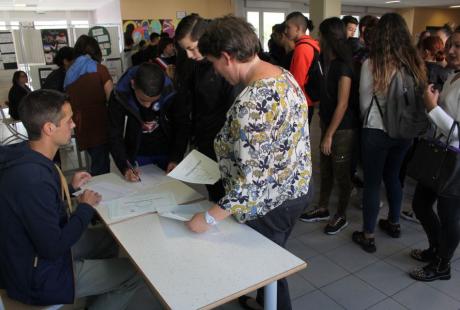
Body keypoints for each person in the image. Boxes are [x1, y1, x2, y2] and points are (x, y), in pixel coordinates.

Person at [187, 16, 312, 310]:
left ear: (228, 57)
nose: (215, 72)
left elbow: (252, 185)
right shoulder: (282, 74)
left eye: (214, 63)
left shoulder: (251, 103)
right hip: (294, 189)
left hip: (270, 204)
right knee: (270, 264)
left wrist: (206, 219)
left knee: (268, 269)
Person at [0, 89, 156, 309]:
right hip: (38, 274)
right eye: (69, 120)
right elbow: (52, 248)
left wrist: (69, 188)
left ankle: (98, 292)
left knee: (109, 239)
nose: (73, 125)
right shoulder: (33, 179)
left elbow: (39, 210)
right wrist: (83, 208)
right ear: (49, 128)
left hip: (33, 252)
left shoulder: (27, 155)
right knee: (138, 274)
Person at [352, 13, 426, 253]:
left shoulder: (372, 63)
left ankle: (368, 234)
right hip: (405, 132)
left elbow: (364, 103)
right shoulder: (415, 64)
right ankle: (394, 223)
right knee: (393, 177)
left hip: (376, 130)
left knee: (372, 183)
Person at [409, 28, 460, 282]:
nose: (450, 51)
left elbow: (457, 133)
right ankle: (436, 250)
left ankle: (443, 265)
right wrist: (437, 105)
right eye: (450, 44)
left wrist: (431, 108)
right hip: (441, 155)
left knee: (450, 216)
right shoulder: (453, 77)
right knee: (420, 204)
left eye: (458, 46)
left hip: (456, 162)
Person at [300, 17, 357, 235]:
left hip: (342, 130)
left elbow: (342, 104)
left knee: (341, 174)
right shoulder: (327, 62)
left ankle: (340, 215)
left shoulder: (343, 66)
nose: (317, 39)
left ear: (329, 37)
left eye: (320, 35)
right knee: (325, 170)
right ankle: (323, 208)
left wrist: (329, 135)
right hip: (329, 124)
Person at [175, 13, 240, 203]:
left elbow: (232, 114)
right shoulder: (194, 64)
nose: (188, 55)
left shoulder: (226, 67)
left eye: (192, 48)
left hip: (224, 145)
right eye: (184, 50)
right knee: (215, 195)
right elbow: (188, 107)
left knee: (227, 199)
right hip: (204, 143)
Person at [108, 63, 188, 181]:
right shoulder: (119, 96)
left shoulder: (172, 92)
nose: (147, 105)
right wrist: (125, 167)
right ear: (133, 84)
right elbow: (114, 133)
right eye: (142, 99)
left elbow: (182, 126)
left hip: (166, 151)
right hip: (137, 154)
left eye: (154, 101)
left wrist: (175, 158)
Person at [64, 35, 113, 176]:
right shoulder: (99, 69)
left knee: (96, 160)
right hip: (99, 123)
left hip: (81, 124)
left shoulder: (69, 74)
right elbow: (112, 98)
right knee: (102, 165)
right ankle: (101, 194)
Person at [285, 11, 320, 124]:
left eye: (288, 27)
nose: (285, 31)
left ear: (298, 28)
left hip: (301, 101)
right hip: (306, 100)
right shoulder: (309, 44)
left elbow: (297, 81)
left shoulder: (303, 48)